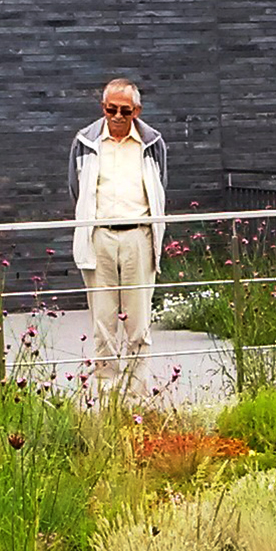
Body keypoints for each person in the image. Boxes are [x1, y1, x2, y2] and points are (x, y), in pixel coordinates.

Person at [68, 78, 167, 383]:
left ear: (137, 110)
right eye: (111, 109)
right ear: (103, 107)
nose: (118, 116)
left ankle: (137, 401)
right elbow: (76, 188)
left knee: (139, 326)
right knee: (103, 326)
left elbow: (160, 186)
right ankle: (108, 400)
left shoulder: (153, 142)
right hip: (101, 236)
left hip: (139, 234)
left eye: (125, 110)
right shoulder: (85, 141)